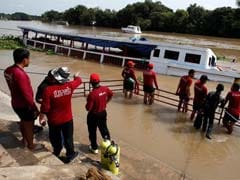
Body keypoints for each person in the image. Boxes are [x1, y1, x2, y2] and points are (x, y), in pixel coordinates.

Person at [39, 68, 82, 162]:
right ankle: (70, 154)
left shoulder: (48, 90)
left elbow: (45, 108)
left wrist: (41, 118)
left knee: (55, 137)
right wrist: (76, 76)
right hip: (68, 119)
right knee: (68, 137)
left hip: (54, 120)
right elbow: (79, 81)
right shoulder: (70, 86)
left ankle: (57, 151)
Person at [4, 48, 40, 150]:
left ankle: (24, 140)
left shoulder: (8, 70)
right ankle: (31, 145)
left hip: (15, 102)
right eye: (28, 59)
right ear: (24, 60)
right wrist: (35, 108)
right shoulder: (21, 75)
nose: (29, 61)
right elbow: (27, 95)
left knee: (23, 121)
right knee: (29, 125)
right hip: (24, 105)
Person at [85, 73, 113, 154]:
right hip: (103, 113)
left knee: (92, 131)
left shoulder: (92, 94)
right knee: (104, 129)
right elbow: (111, 95)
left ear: (91, 83)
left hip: (93, 115)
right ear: (99, 81)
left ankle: (94, 148)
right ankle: (108, 145)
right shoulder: (105, 89)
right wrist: (106, 102)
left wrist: (87, 100)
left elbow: (88, 108)